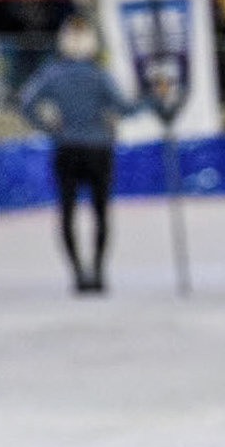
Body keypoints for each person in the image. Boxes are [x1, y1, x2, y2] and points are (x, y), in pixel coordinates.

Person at [18, 16, 145, 294]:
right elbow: (125, 108)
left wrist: (49, 128)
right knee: (100, 212)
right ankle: (97, 272)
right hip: (99, 148)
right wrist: (143, 99)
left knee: (67, 212)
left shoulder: (53, 74)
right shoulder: (99, 75)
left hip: (67, 147)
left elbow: (26, 103)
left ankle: (78, 273)